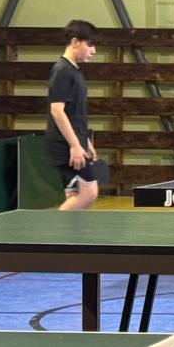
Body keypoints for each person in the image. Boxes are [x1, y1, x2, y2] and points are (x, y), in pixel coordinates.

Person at [46, 19, 101, 211]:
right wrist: (75, 145)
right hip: (64, 144)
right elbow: (57, 110)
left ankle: (68, 231)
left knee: (74, 195)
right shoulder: (62, 71)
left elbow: (75, 114)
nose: (93, 51)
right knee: (89, 192)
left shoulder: (74, 71)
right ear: (75, 42)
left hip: (75, 142)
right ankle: (48, 228)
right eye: (90, 44)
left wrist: (86, 142)